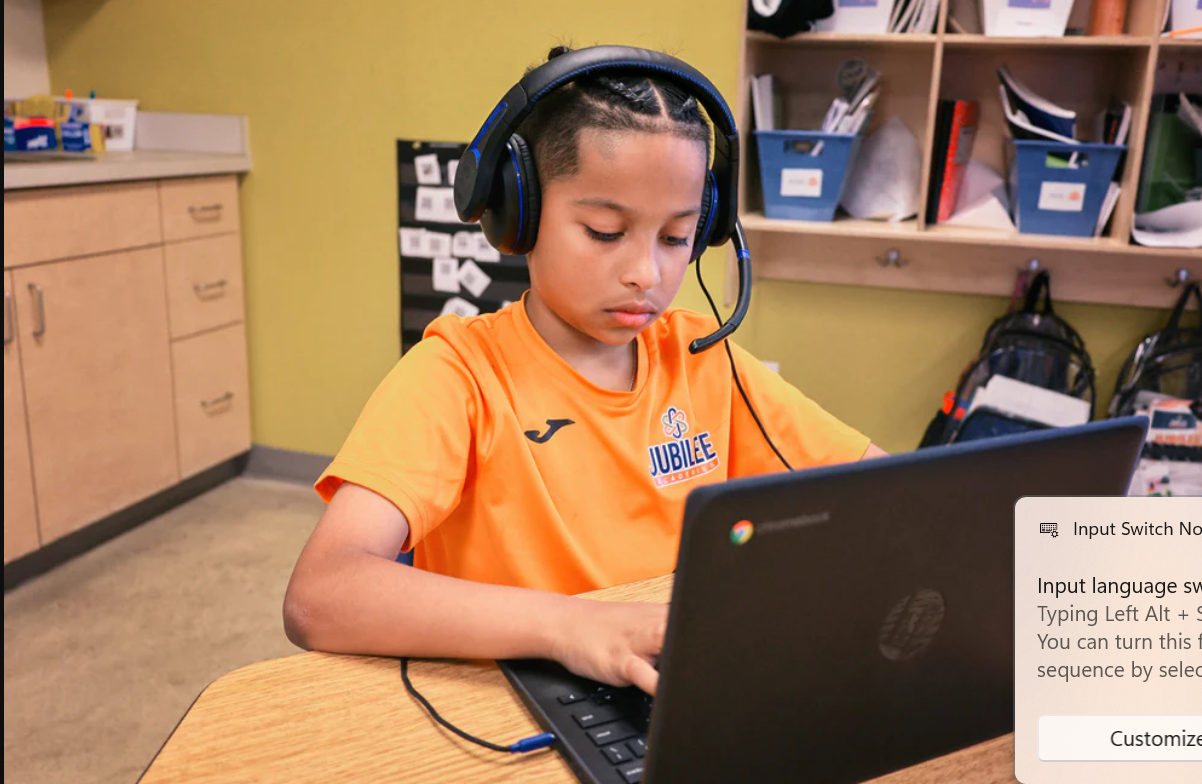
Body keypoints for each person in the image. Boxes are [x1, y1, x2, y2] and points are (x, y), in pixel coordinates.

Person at [283, 46, 886, 696]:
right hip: (516, 698)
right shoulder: (458, 375)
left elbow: (894, 493)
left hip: (669, 679)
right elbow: (320, 595)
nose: (646, 274)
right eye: (604, 231)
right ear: (520, 213)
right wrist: (573, 627)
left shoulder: (703, 356)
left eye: (677, 237)